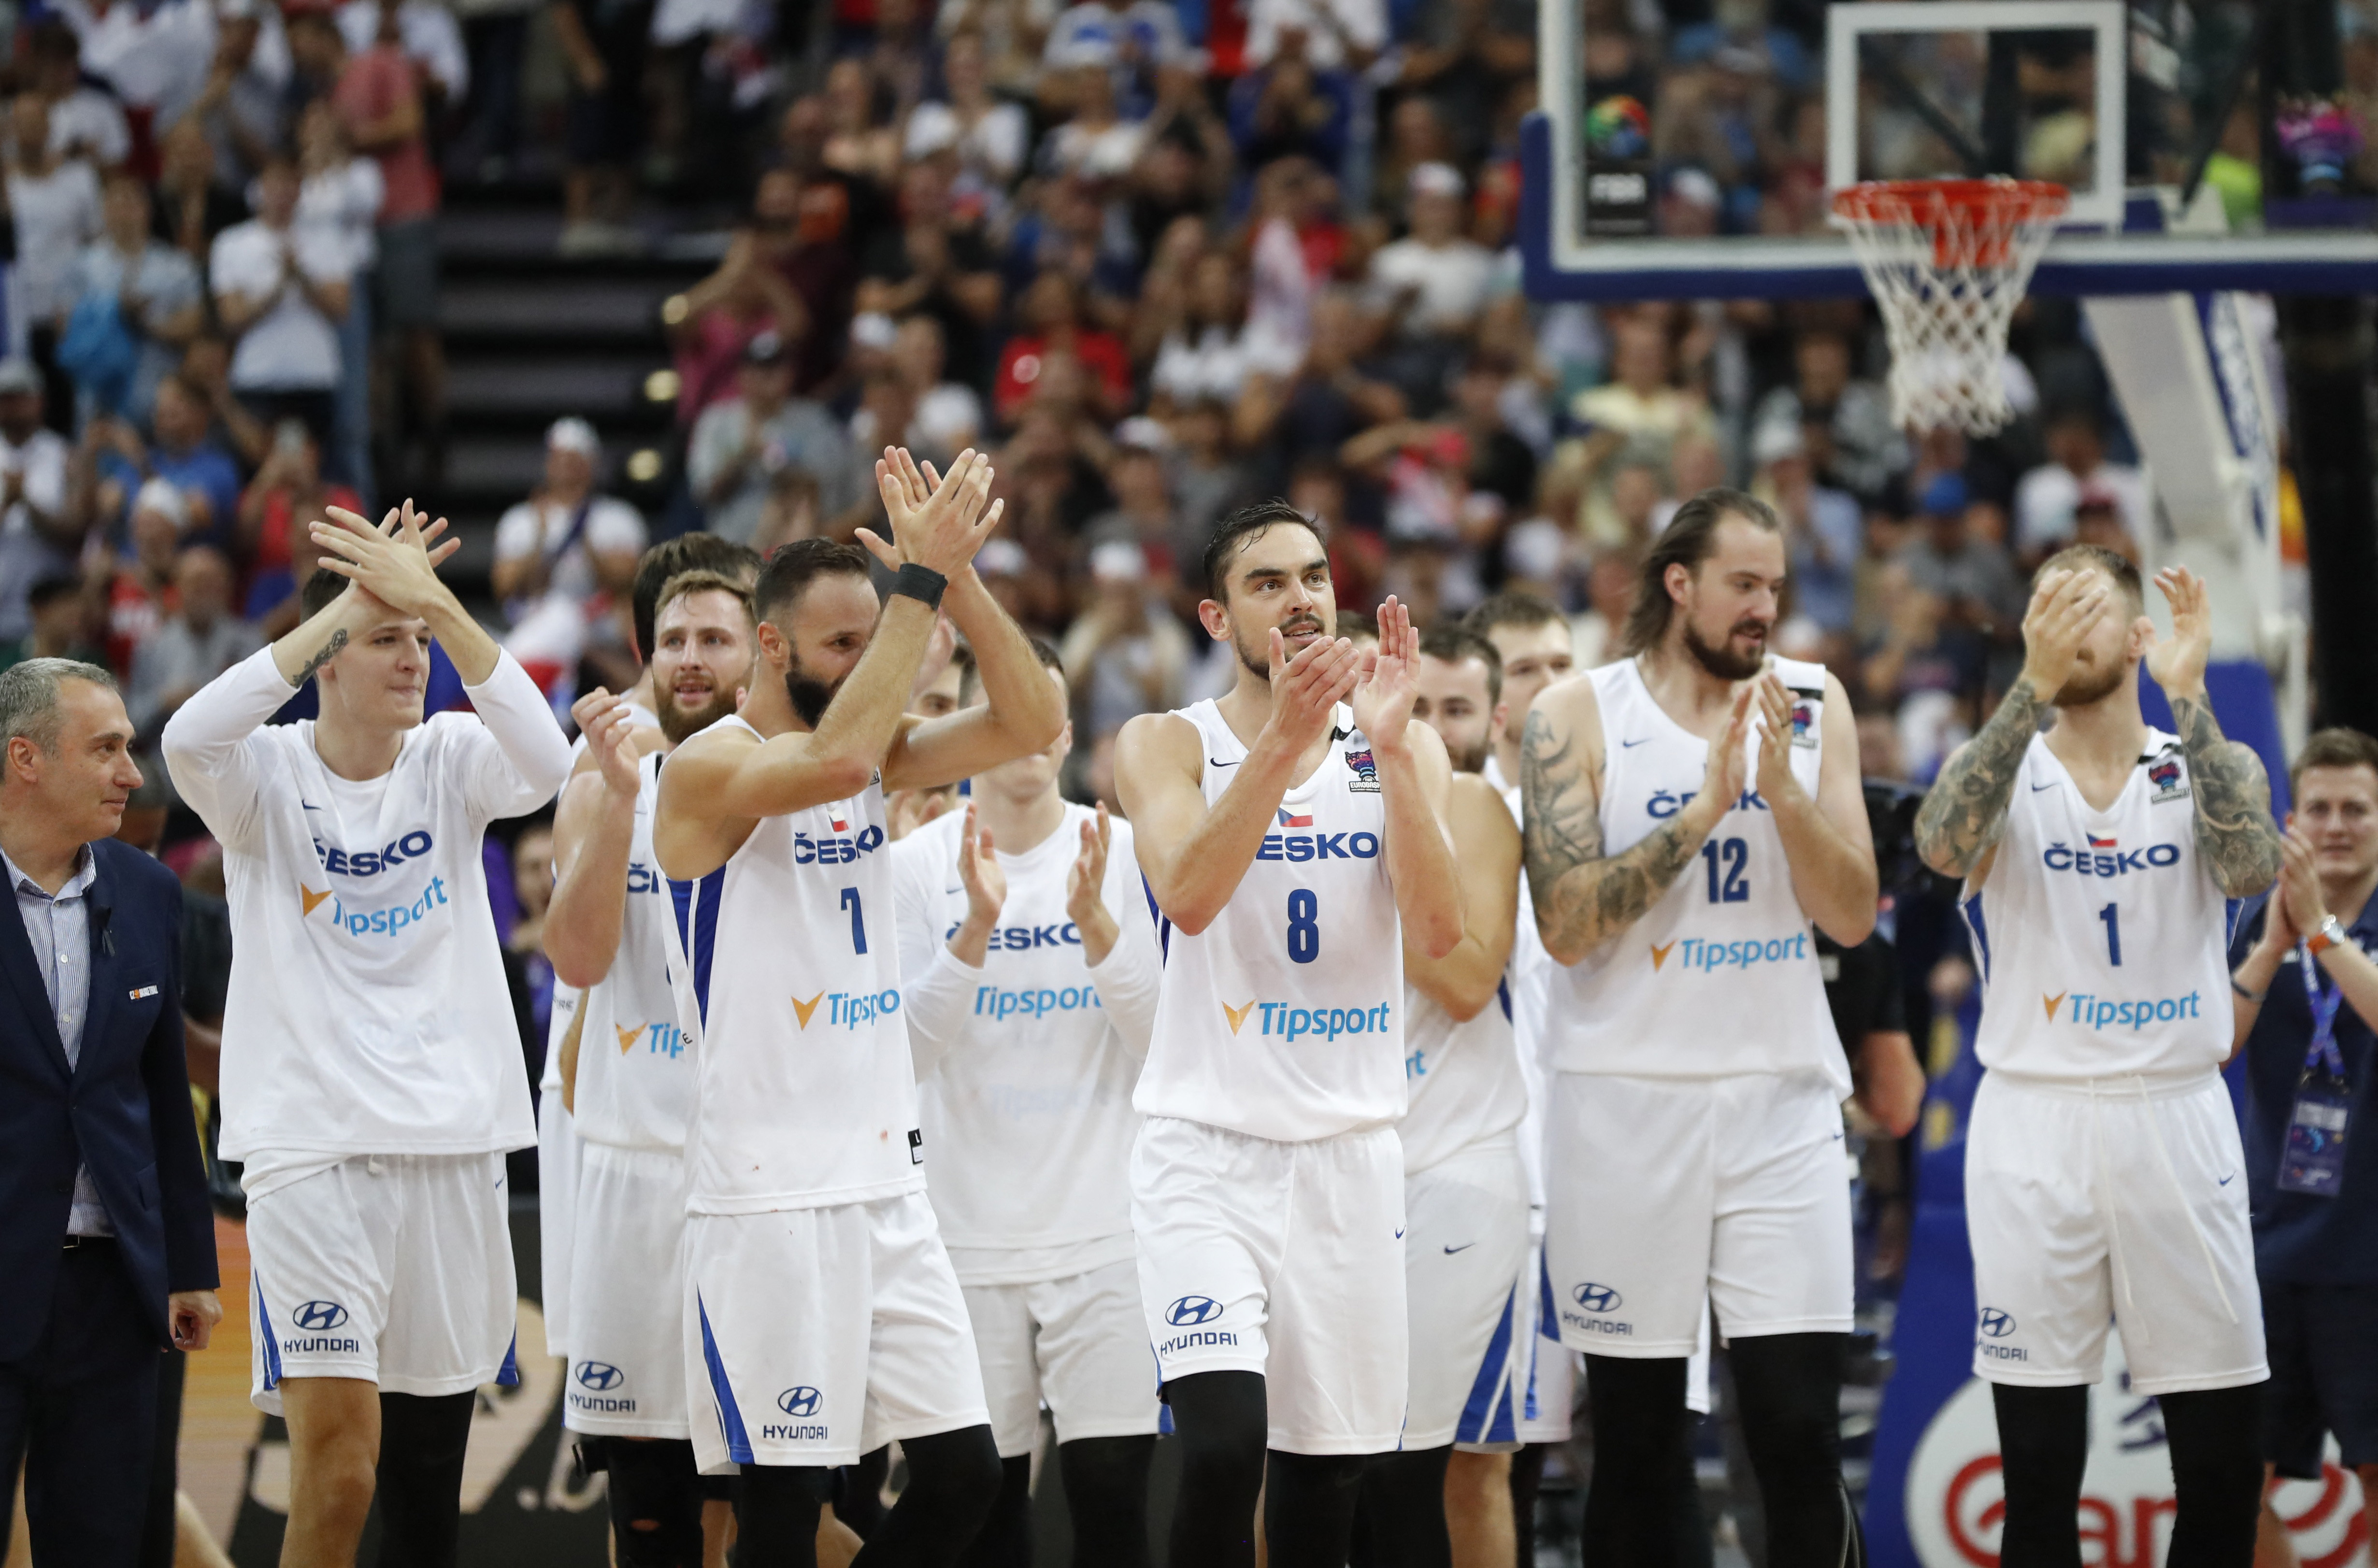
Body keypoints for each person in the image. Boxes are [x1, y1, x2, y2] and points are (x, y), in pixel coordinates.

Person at [650, 450, 1065, 1566]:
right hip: (767, 1201)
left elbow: (1032, 717)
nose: (870, 658)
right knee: (782, 1511)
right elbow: (830, 760)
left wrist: (956, 577)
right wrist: (917, 588)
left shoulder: (868, 752)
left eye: (869, 634)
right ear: (773, 647)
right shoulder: (705, 767)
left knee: (965, 1474)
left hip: (887, 1185)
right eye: (846, 641)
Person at [160, 502, 574, 1568]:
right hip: (313, 1153)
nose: (414, 657)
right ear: (330, 658)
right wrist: (341, 611)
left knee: (428, 1493)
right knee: (340, 1473)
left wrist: (434, 599)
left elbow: (548, 764)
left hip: (453, 1152)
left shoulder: (450, 758)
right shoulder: (263, 779)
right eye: (387, 639)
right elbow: (184, 737)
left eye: (422, 641)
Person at [1520, 489, 1877, 1567]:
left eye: (1775, 587)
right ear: (1679, 585)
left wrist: (1780, 793)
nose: (1764, 608)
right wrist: (1707, 807)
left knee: (1798, 1431)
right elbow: (1568, 924)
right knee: (1635, 1448)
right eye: (1742, 585)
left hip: (1780, 1108)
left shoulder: (1814, 704)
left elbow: (1853, 914)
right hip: (1623, 1113)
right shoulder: (1576, 715)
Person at [1912, 545, 2281, 1567]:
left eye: (2085, 607)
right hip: (2037, 1121)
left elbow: (2253, 862)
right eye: (2044, 607)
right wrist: (2024, 685)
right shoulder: (1997, 774)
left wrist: (2191, 693)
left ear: (2135, 636)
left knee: (2218, 1464)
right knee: (2034, 1469)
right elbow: (1940, 848)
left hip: (2175, 1113)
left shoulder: (2207, 763)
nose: (2063, 625)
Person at [1112, 502, 1462, 1568]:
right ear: (1217, 617)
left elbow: (1441, 935)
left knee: (1325, 1493)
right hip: (1205, 1154)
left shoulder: (1408, 742)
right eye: (1268, 583)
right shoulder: (1165, 743)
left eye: (1314, 575)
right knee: (1222, 1452)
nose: (1303, 597)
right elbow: (1188, 895)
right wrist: (1283, 743)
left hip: (1350, 1158)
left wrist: (1394, 754)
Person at [546, 568, 819, 1567]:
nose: (693, 659)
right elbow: (575, 961)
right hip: (634, 1173)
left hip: (756, 1175)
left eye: (715, 639)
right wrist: (622, 798)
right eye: (674, 642)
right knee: (651, 1511)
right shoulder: (595, 784)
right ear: (646, 658)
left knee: (772, 1507)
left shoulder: (787, 778)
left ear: (759, 653)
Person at [888, 641, 1164, 1567]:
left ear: (1067, 732)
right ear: (967, 731)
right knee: (986, 1514)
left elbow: (1165, 1045)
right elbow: (904, 1055)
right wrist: (974, 931)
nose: (1028, 729)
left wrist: (1096, 927)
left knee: (1113, 1507)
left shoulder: (1125, 852)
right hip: (962, 1241)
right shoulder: (915, 866)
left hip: (1107, 1239)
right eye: (1003, 707)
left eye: (1044, 709)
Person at [0, 658, 220, 1568]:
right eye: (106, 749)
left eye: (128, 748)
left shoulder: (149, 891)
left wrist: (190, 1262)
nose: (132, 773)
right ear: (26, 758)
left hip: (112, 1291)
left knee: (102, 1545)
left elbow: (164, 1094)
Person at [1355, 624, 1529, 1568]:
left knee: (1427, 1466)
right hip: (1325, 1161)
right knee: (1289, 1465)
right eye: (1403, 704)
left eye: (1441, 709)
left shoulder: (1471, 808)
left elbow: (1466, 982)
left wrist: (1385, 871)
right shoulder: (1282, 806)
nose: (1418, 725)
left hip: (1455, 1166)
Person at [2226, 727, 2378, 1568]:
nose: (2335, 824)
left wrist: (2321, 934)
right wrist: (2275, 945)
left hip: (2370, 1251)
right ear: (2292, 820)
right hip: (2270, 1242)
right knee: (2229, 1482)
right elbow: (2215, 1043)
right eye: (2316, 808)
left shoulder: (2329, 922)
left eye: (2355, 808)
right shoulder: (2262, 915)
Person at [208, 153, 353, 447]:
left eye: (290, 184)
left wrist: (301, 275)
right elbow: (231, 318)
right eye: (275, 184)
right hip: (257, 374)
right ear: (260, 189)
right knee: (258, 468)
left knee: (316, 473)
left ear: (300, 191)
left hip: (315, 374)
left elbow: (341, 309)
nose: (282, 193)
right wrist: (278, 288)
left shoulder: (327, 240)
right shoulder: (232, 243)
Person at [125, 545, 261, 735]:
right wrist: (163, 702)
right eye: (196, 583)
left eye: (212, 584)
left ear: (227, 589)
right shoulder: (151, 646)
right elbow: (130, 720)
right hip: (163, 760)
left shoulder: (250, 643)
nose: (204, 592)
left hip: (232, 755)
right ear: (178, 588)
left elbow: (268, 713)